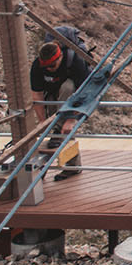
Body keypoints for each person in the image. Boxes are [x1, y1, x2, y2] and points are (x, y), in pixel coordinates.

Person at [30, 30, 92, 179]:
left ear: (61, 57)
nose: (49, 69)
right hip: (52, 95)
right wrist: (43, 122)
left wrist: (71, 119)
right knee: (60, 132)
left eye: (52, 65)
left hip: (74, 96)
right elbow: (36, 95)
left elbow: (86, 92)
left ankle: (71, 165)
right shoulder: (37, 66)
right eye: (46, 67)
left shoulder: (75, 61)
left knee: (67, 89)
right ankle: (72, 167)